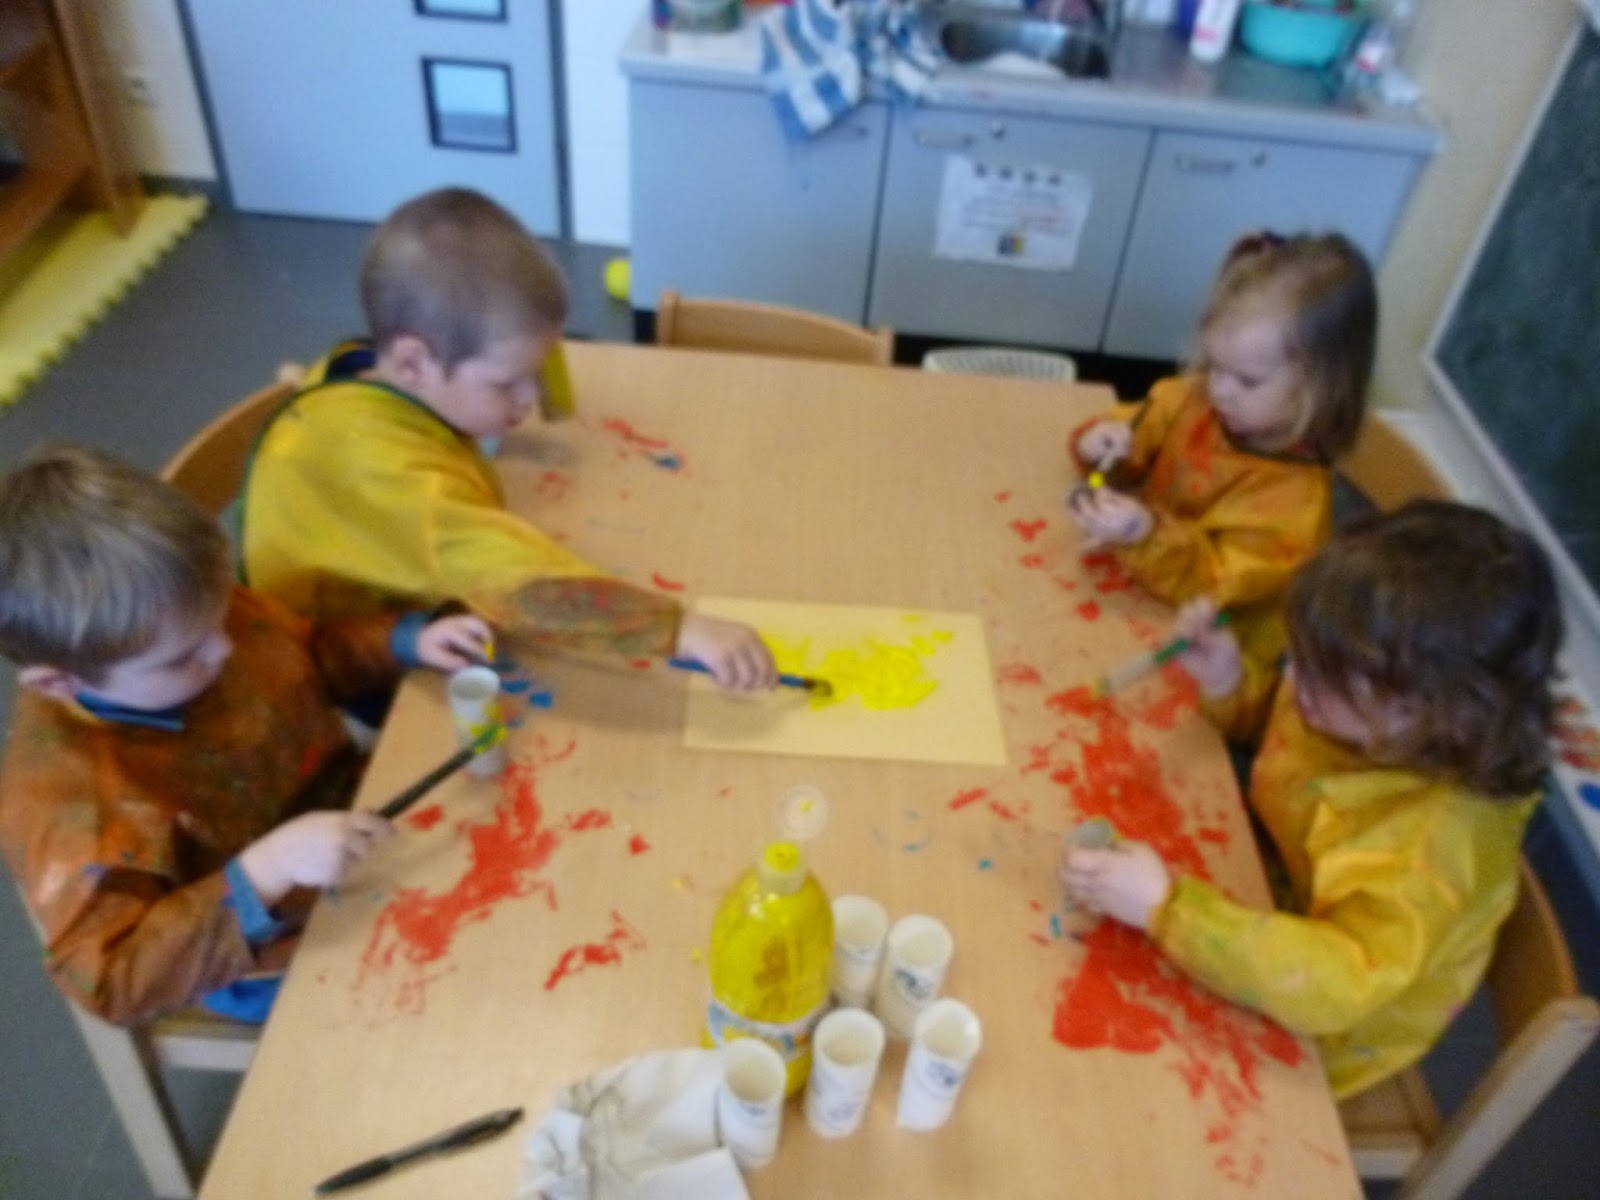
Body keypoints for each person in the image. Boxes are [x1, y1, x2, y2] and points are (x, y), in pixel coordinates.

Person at [1060, 502, 1563, 1098]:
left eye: (1320, 678)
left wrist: (1167, 909)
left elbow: (1334, 986)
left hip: (1321, 1026)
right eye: (1298, 658)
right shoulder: (1370, 713)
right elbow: (1283, 736)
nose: (1294, 679)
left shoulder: (1426, 850)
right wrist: (1228, 681)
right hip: (1266, 896)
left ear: (1427, 711)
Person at [0, 445, 494, 1026]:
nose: (224, 649)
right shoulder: (67, 796)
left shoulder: (185, 617)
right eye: (184, 657)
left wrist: (404, 641)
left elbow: (302, 655)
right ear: (58, 681)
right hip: (260, 951)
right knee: (457, 994)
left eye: (222, 618)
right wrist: (264, 872)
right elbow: (113, 980)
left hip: (360, 821)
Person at [240, 186, 775, 692]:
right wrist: (680, 629)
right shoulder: (395, 483)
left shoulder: (370, 362)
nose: (529, 400)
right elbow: (526, 587)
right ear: (414, 363)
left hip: (392, 599)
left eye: (537, 373)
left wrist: (540, 385)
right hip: (342, 665)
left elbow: (524, 336)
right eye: (506, 383)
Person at [1065, 231, 1376, 663]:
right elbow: (1142, 427)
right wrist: (1099, 442)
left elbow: (1213, 586)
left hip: (1214, 656)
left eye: (1247, 380)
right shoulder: (1198, 399)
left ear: (1321, 390)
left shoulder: (1294, 506)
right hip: (1143, 588)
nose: (1219, 390)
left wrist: (1144, 535)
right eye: (1215, 366)